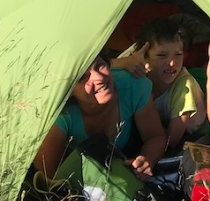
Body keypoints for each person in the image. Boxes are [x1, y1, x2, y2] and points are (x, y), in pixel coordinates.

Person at [33, 54, 167, 181]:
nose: (99, 78)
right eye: (82, 77)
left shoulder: (131, 85)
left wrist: (148, 159)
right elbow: (48, 176)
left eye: (99, 66)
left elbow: (155, 137)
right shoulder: (60, 116)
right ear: (68, 91)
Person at [134, 17, 206, 149]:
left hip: (191, 136)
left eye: (178, 54)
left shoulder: (185, 87)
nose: (172, 63)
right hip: (159, 127)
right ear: (144, 56)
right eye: (162, 55)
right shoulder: (139, 72)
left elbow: (171, 142)